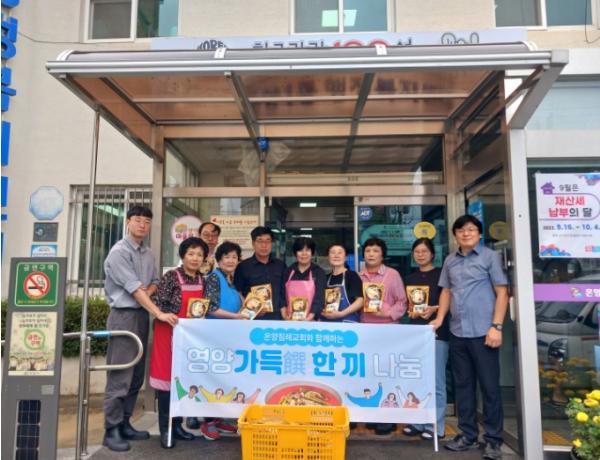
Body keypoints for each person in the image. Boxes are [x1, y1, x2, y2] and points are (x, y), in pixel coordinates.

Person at [430, 215, 508, 460]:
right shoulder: (450, 260)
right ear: (455, 235)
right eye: (461, 230)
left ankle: (493, 440)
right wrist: (440, 319)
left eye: (471, 230)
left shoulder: (490, 257)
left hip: (484, 332)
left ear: (479, 233)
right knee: (463, 386)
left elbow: (502, 292)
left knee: (489, 387)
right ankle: (467, 435)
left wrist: (496, 326)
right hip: (457, 331)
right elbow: (446, 291)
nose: (466, 234)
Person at [102, 206, 178, 452]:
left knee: (136, 374)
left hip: (141, 315)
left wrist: (146, 293)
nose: (142, 225)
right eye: (137, 220)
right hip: (123, 317)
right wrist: (158, 312)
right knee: (120, 374)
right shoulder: (119, 253)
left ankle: (125, 423)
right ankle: (111, 429)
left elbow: (153, 283)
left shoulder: (148, 253)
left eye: (146, 221)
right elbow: (134, 289)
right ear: (128, 222)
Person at [149, 237, 213, 448]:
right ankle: (165, 430)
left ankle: (177, 426)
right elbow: (158, 304)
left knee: (182, 382)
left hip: (189, 338)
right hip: (168, 333)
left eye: (199, 255)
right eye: (191, 254)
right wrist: (168, 315)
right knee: (167, 382)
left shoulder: (202, 280)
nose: (195, 258)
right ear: (183, 256)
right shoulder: (171, 277)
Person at [402, 238, 450, 441]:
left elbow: (452, 300)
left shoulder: (442, 275)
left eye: (424, 251)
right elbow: (407, 305)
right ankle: (418, 421)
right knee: (418, 380)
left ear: (432, 254)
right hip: (416, 334)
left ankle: (436, 425)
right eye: (417, 252)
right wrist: (410, 311)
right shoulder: (410, 278)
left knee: (436, 381)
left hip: (437, 332)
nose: (420, 255)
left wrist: (435, 309)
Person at [359, 237, 406, 435]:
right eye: (368, 250)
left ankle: (388, 418)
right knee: (369, 374)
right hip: (365, 330)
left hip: (388, 331)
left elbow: (402, 302)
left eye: (376, 251)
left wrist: (388, 313)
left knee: (386, 373)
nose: (371, 254)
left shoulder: (392, 275)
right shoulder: (358, 276)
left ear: (382, 254)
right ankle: (372, 415)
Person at [234, 226, 286, 320]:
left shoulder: (280, 265)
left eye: (267, 241)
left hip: (278, 318)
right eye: (260, 241)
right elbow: (238, 292)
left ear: (271, 243)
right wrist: (249, 307)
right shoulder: (243, 266)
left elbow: (284, 291)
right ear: (253, 243)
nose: (264, 245)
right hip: (252, 318)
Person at [283, 237, 326, 321]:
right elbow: (282, 296)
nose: (304, 254)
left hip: (312, 320)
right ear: (295, 253)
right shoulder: (288, 271)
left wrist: (310, 316)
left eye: (307, 250)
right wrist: (284, 316)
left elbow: (320, 297)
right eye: (300, 250)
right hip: (290, 320)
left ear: (312, 252)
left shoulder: (319, 272)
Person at [320, 244, 364, 323]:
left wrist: (341, 314)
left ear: (345, 258)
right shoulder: (325, 278)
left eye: (340, 253)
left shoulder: (352, 276)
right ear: (328, 257)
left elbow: (360, 301)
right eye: (333, 252)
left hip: (347, 323)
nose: (336, 255)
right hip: (327, 324)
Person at [206, 241, 246, 319]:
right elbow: (210, 308)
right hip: (216, 325)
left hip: (231, 324)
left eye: (234, 257)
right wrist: (235, 316)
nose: (231, 261)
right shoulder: (214, 277)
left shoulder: (230, 279)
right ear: (219, 260)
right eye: (227, 257)